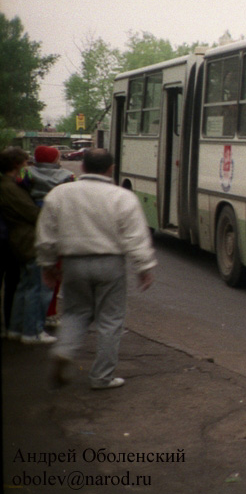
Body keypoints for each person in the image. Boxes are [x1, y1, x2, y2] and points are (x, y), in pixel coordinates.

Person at [37, 148, 156, 390]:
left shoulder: (60, 194)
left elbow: (46, 235)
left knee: (74, 312)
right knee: (110, 320)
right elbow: (135, 236)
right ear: (110, 168)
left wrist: (48, 264)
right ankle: (102, 376)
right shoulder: (122, 197)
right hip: (110, 264)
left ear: (83, 167)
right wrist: (144, 266)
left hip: (73, 263)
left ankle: (64, 350)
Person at [0, 147, 54, 344]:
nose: (27, 166)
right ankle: (32, 331)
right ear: (16, 165)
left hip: (19, 239)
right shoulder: (10, 188)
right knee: (35, 287)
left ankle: (16, 328)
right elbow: (32, 214)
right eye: (25, 163)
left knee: (24, 286)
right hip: (26, 240)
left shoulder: (10, 185)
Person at [25, 145, 75, 328]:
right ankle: (49, 313)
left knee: (30, 277)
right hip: (57, 222)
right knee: (54, 272)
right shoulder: (67, 176)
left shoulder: (27, 174)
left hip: (31, 220)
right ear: (55, 159)